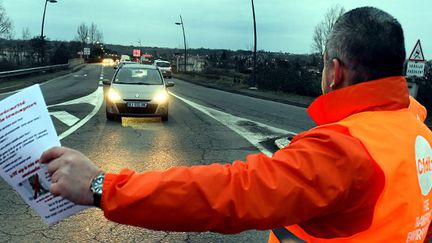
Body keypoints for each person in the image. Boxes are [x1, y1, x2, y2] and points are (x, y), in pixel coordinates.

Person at [40, 7, 432, 242]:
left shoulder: (344, 151)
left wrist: (102, 187)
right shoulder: (417, 130)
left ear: (334, 71)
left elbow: (227, 192)